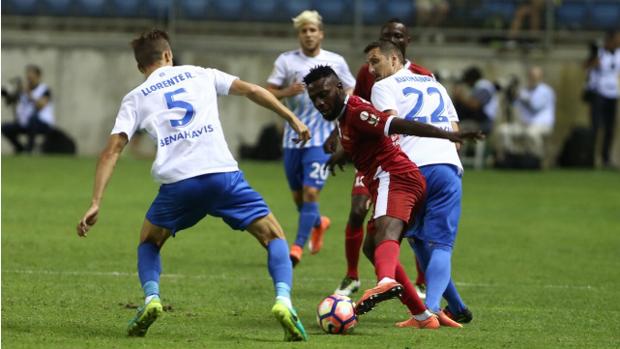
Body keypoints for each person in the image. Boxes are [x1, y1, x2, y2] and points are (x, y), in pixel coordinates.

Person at [75, 29, 310, 341]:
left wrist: (95, 202)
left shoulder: (135, 97)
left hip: (178, 186)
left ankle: (152, 299)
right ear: (168, 55)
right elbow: (253, 90)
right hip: (223, 177)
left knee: (149, 242)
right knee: (274, 236)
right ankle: (283, 302)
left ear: (139, 66)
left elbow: (111, 152)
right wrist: (291, 118)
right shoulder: (201, 74)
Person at [303, 64, 482, 328]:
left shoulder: (357, 111)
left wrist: (448, 135)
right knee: (373, 246)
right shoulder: (342, 118)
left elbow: (398, 124)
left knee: (386, 235)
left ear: (339, 88)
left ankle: (387, 281)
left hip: (395, 175)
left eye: (324, 94)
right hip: (389, 179)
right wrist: (339, 156)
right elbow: (360, 141)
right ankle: (424, 315)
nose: (320, 102)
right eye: (314, 98)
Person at [365, 40, 473, 325]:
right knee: (439, 245)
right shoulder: (435, 84)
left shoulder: (383, 87)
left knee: (414, 240)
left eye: (376, 61)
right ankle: (454, 307)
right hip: (448, 167)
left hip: (411, 169)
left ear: (395, 60)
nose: (371, 68)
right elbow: (455, 130)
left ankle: (431, 309)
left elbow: (389, 127)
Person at [333, 18, 432, 298]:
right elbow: (353, 108)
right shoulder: (369, 71)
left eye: (398, 35)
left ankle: (419, 283)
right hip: (371, 155)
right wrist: (341, 141)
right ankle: (352, 276)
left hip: (404, 158)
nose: (394, 38)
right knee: (356, 211)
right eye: (388, 34)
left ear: (406, 42)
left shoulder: (423, 75)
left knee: (405, 223)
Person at [266, 10, 356, 266]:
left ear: (321, 33)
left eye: (312, 30)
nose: (308, 34)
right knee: (298, 197)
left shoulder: (335, 61)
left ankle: (296, 247)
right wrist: (287, 91)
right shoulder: (286, 61)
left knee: (310, 192)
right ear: (299, 35)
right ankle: (318, 222)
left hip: (321, 138)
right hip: (292, 139)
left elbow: (351, 87)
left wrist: (342, 108)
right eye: (304, 31)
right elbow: (267, 92)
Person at [496, 66, 555, 165]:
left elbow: (535, 105)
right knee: (503, 130)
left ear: (541, 77)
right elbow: (513, 104)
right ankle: (513, 157)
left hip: (542, 125)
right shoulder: (524, 90)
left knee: (531, 133)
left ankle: (537, 160)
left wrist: (519, 95)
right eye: (531, 76)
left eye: (535, 77)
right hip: (524, 125)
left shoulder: (545, 91)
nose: (532, 79)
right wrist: (510, 94)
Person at [584, 30, 620, 168]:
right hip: (599, 93)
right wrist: (594, 63)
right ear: (610, 40)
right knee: (595, 126)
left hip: (613, 94)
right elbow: (585, 67)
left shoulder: (618, 54)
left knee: (610, 128)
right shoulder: (599, 53)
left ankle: (606, 158)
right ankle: (590, 158)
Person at [1, 65, 54, 154]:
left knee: (32, 119)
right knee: (5, 128)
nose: (29, 77)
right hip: (25, 123)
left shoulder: (44, 89)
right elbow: (9, 101)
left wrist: (28, 93)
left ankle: (29, 150)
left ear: (38, 76)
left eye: (31, 75)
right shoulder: (22, 90)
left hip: (42, 123)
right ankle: (20, 148)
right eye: (28, 75)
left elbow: (41, 105)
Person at [452, 66, 499, 135]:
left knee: (460, 107)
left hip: (485, 122)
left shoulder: (483, 86)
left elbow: (474, 105)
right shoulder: (482, 86)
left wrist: (459, 97)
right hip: (482, 119)